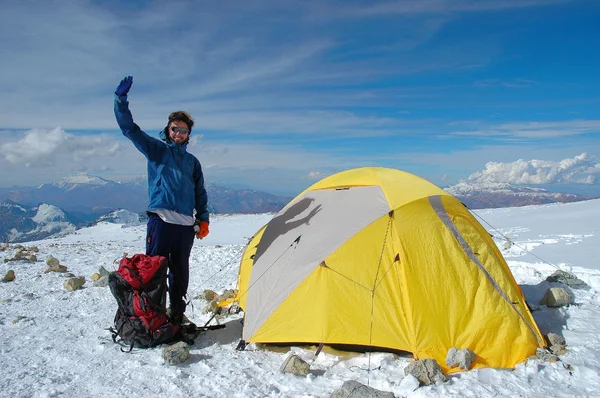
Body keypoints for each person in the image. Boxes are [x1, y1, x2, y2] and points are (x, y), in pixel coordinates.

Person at [113, 75, 209, 325]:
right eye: (174, 128)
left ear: (189, 134)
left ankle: (176, 314)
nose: (178, 133)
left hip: (186, 226)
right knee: (153, 270)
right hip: (162, 221)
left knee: (180, 273)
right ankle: (152, 316)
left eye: (183, 130)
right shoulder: (156, 150)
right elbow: (129, 130)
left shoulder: (192, 162)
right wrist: (120, 101)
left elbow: (200, 192)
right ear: (168, 130)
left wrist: (204, 219)